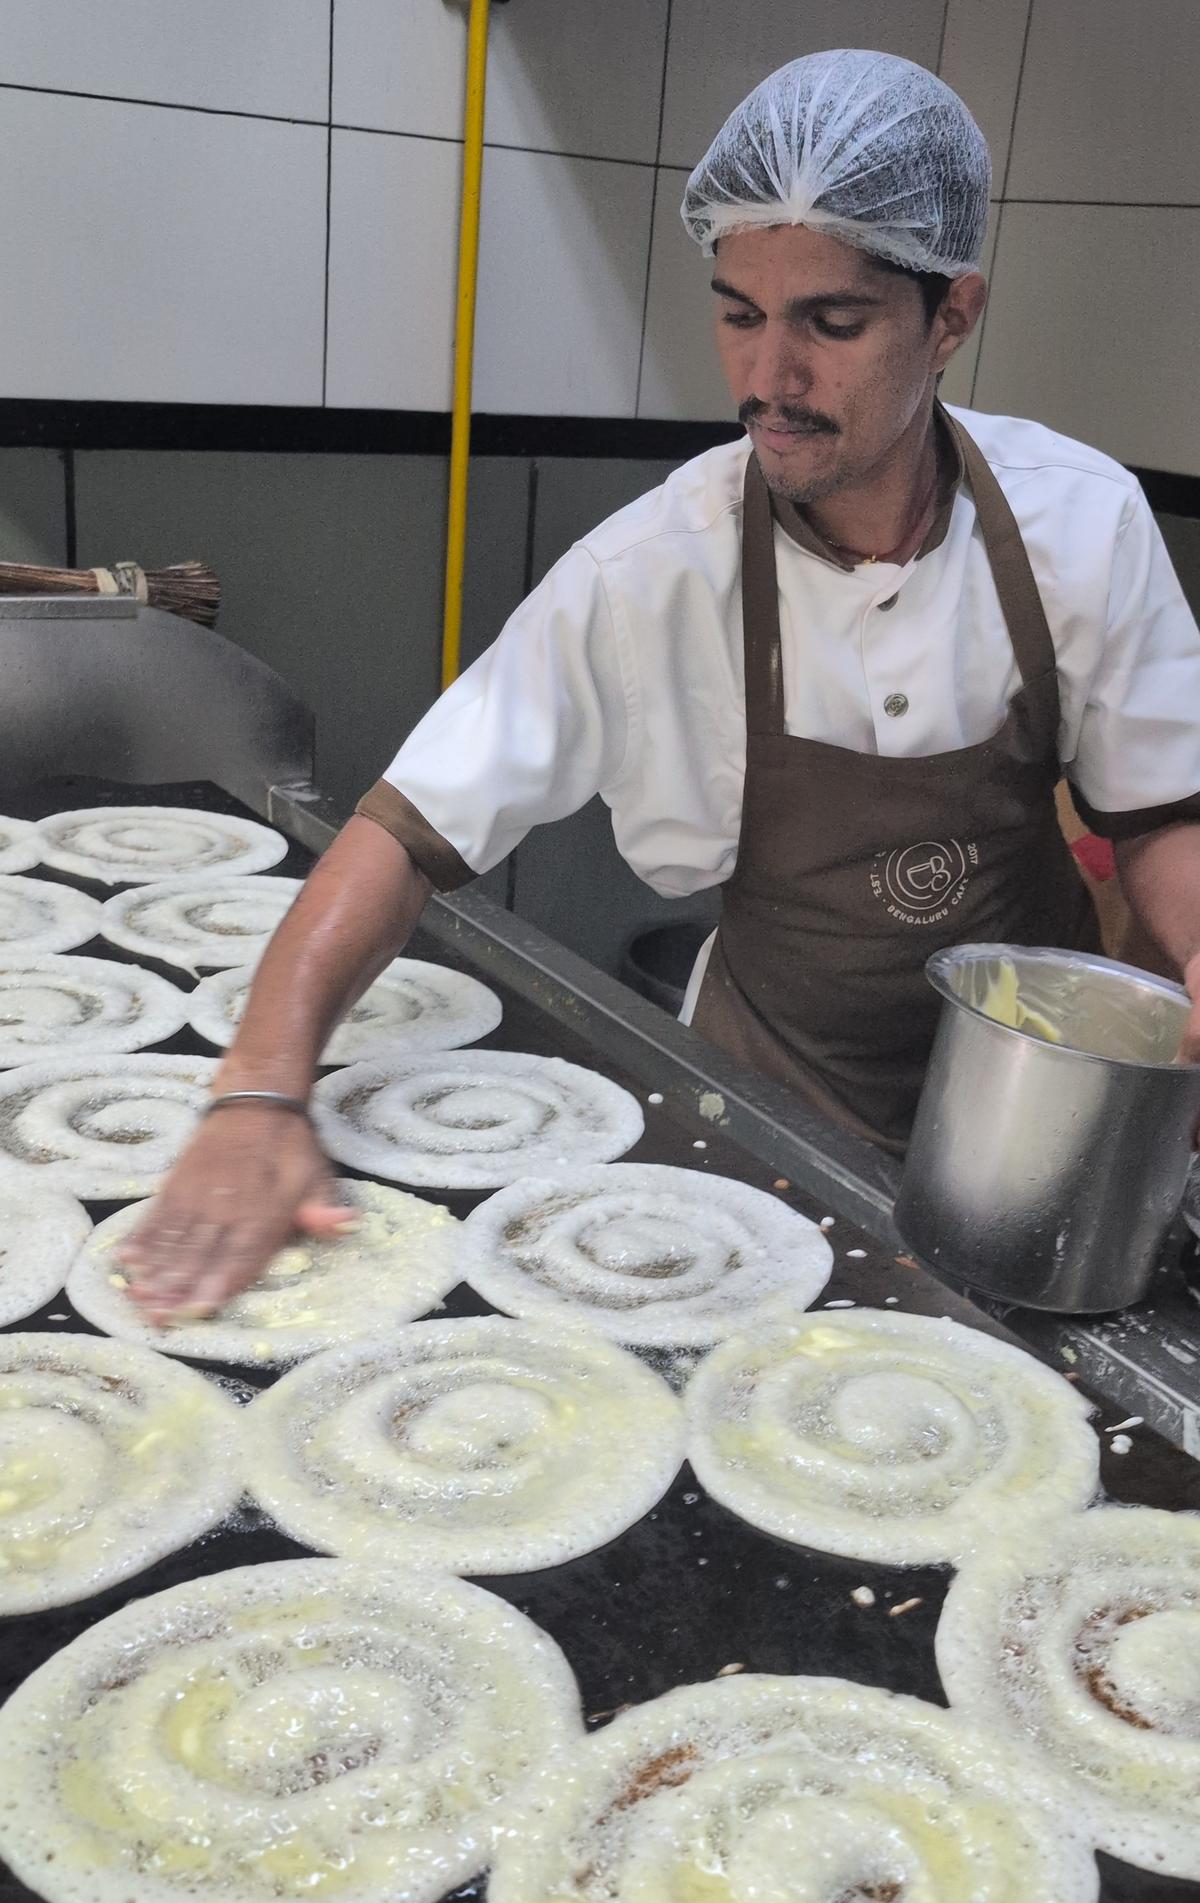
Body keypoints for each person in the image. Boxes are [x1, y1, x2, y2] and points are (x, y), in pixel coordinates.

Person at [124, 47, 1200, 1325]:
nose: (769, 379)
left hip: (1048, 1130)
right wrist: (258, 1089)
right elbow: (404, 834)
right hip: (772, 1122)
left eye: (832, 323)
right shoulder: (652, 574)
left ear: (952, 317)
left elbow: (1158, 815)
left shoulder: (1081, 522)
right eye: (740, 314)